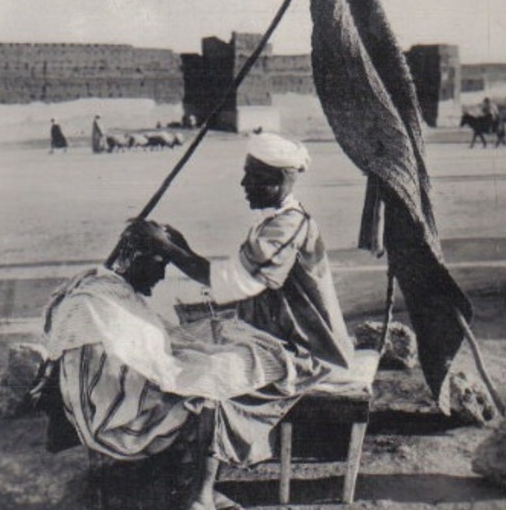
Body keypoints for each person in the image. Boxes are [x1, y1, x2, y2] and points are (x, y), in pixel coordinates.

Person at [40, 219, 301, 510]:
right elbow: (150, 369)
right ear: (135, 260)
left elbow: (142, 349)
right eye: (159, 265)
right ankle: (200, 501)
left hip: (118, 393)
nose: (162, 276)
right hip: (113, 416)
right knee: (211, 386)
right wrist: (186, 365)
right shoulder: (96, 303)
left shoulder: (101, 287)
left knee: (216, 358)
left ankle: (185, 487)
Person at [150, 133, 357, 387]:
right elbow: (235, 275)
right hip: (278, 336)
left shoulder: (288, 226)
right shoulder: (275, 220)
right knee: (184, 349)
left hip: (309, 351)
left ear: (279, 180)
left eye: (253, 176)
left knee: (199, 375)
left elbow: (236, 282)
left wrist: (168, 249)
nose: (243, 183)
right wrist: (180, 247)